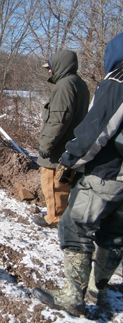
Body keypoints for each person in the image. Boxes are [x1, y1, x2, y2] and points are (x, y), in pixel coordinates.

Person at [33, 32, 123, 317]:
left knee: (74, 226)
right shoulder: (81, 83)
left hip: (107, 172)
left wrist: (70, 159)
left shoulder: (117, 82)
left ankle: (74, 296)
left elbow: (97, 128)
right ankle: (100, 288)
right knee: (114, 235)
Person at [34, 50, 90, 228]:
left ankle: (55, 218)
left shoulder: (64, 86)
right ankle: (61, 213)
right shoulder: (79, 83)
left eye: (50, 68)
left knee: (52, 182)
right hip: (71, 145)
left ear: (60, 66)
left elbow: (59, 118)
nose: (49, 71)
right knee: (65, 184)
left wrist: (46, 144)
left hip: (58, 148)